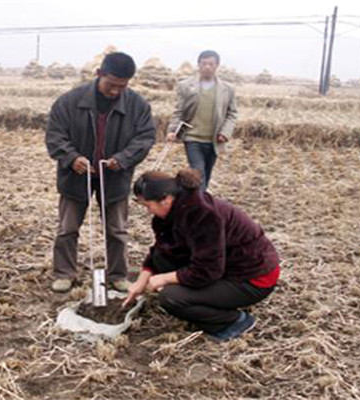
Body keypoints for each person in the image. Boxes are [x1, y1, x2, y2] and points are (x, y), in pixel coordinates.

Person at [123, 169, 280, 342]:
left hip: (252, 278)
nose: (148, 211)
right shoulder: (171, 211)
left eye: (148, 205)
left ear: (166, 199)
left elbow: (207, 271)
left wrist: (165, 279)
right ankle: (212, 300)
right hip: (224, 266)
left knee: (171, 298)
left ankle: (234, 322)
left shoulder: (204, 216)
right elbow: (161, 249)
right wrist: (141, 280)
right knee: (162, 259)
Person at [46, 52, 156, 293]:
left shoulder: (137, 105)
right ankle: (65, 273)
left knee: (117, 230)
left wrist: (123, 159)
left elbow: (145, 137)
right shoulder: (70, 101)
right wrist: (71, 157)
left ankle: (117, 274)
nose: (116, 91)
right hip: (75, 178)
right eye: (111, 85)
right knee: (68, 228)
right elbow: (55, 135)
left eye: (122, 86)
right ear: (99, 74)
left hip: (115, 178)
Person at [166, 50, 237, 191]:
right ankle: (201, 205)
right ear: (198, 65)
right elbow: (179, 111)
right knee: (199, 173)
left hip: (214, 139)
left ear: (217, 65)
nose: (207, 67)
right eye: (204, 63)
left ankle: (199, 200)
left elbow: (232, 114)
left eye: (211, 64)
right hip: (192, 138)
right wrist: (172, 130)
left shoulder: (227, 89)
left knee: (206, 174)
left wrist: (225, 132)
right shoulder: (186, 86)